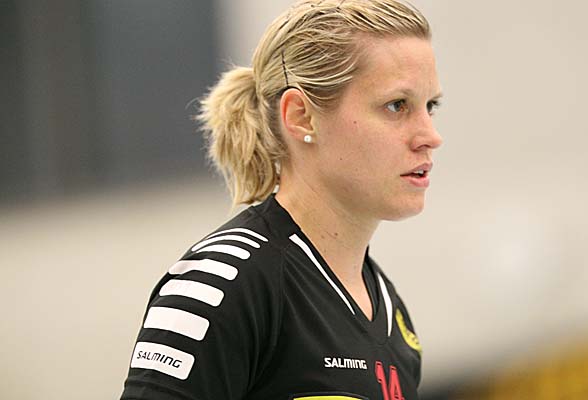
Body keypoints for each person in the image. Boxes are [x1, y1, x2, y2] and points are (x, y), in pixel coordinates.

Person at [120, 0, 443, 399]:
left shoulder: (392, 313)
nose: (430, 136)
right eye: (397, 105)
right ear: (301, 116)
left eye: (430, 106)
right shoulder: (223, 285)